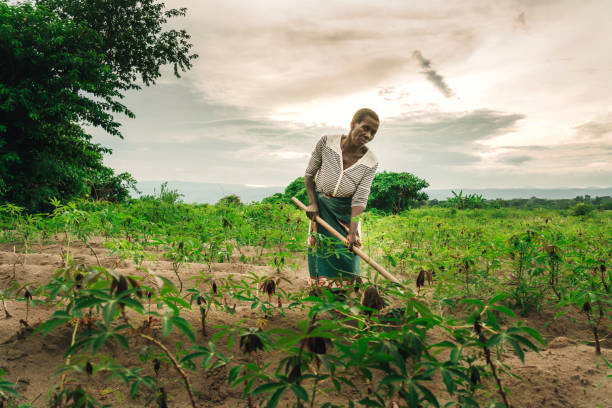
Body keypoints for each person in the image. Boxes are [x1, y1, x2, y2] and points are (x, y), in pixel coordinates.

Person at [304, 108, 379, 288]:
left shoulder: (370, 161)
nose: (368, 135)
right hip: (321, 210)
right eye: (365, 128)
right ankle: (320, 293)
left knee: (348, 257)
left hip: (347, 213)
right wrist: (313, 203)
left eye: (373, 133)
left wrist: (352, 232)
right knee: (321, 252)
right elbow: (309, 175)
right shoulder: (327, 142)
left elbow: (360, 199)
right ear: (353, 123)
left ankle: (347, 295)